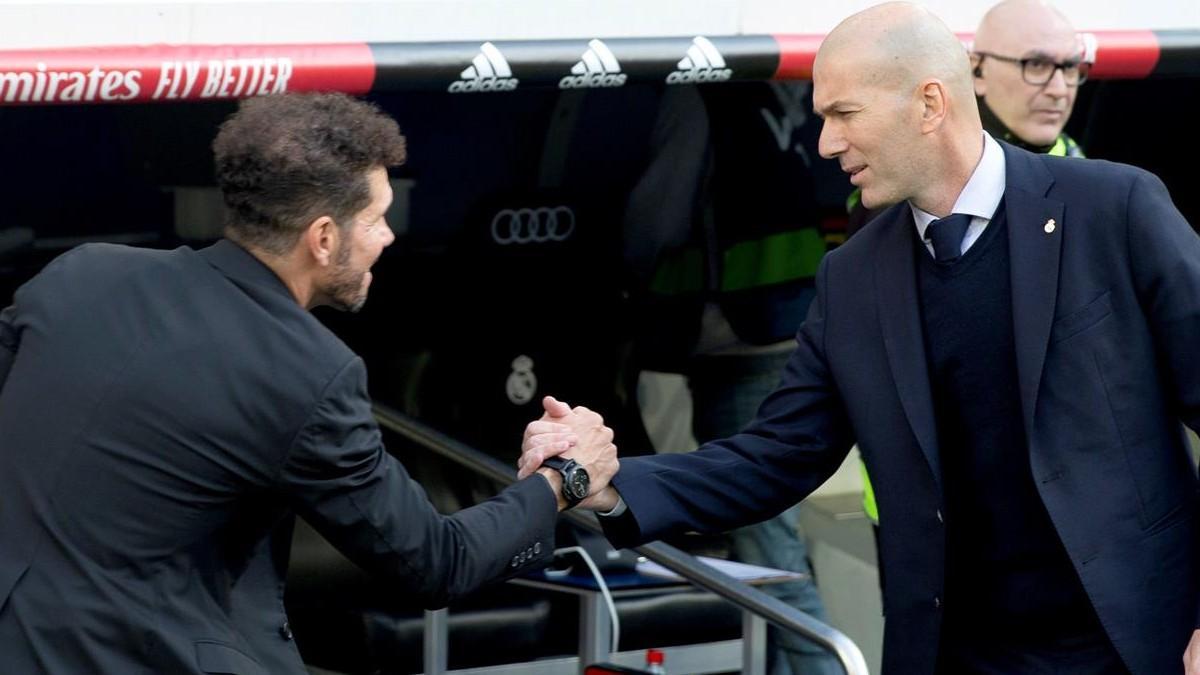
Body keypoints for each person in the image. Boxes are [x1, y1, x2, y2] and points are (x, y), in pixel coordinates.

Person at [521, 3, 1200, 673]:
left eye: (843, 115)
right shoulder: (852, 277)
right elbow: (775, 454)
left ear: (929, 103)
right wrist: (608, 484)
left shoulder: (1116, 209)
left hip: (1139, 643)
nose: (825, 143)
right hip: (955, 653)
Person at [0, 92, 617, 675]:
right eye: (376, 218)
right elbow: (436, 563)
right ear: (323, 238)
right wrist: (564, 480)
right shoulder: (309, 374)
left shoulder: (76, 276)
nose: (389, 236)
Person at [623, 83, 838, 675]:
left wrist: (628, 276)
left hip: (738, 333)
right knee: (776, 548)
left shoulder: (698, 95)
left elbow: (658, 217)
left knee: (764, 551)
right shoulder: (801, 81)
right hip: (790, 320)